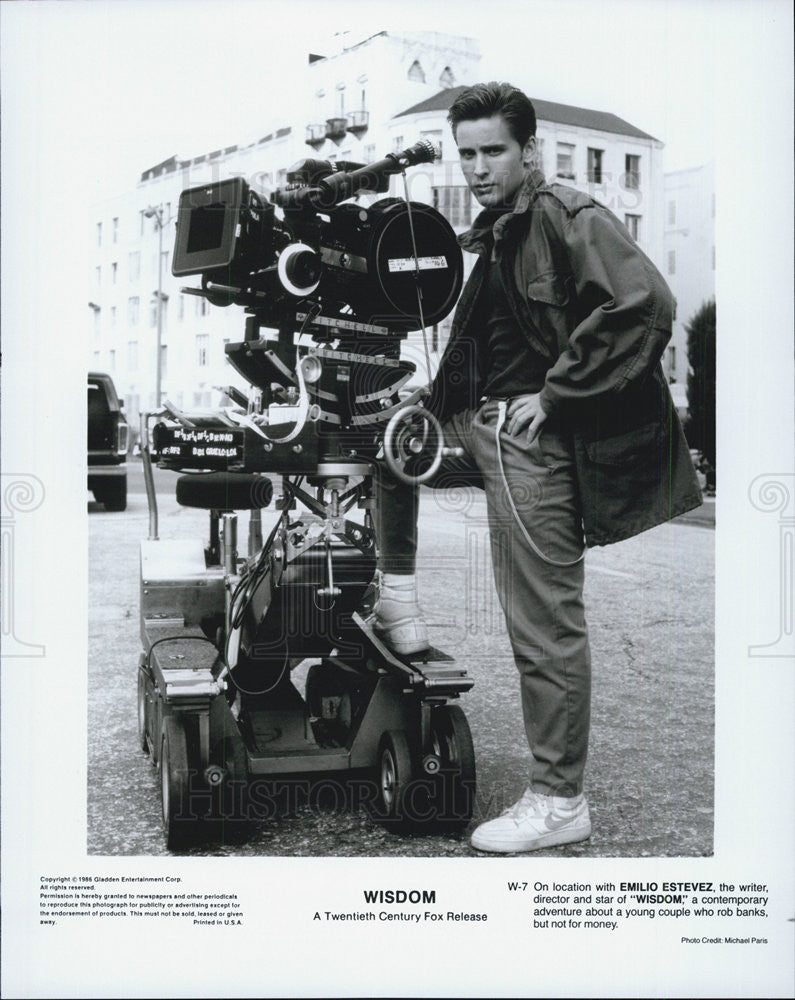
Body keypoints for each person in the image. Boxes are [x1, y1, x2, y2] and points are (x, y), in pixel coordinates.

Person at [372, 82, 702, 853]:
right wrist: (424, 401)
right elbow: (486, 341)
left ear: (527, 151)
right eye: (468, 154)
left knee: (542, 623)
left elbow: (644, 303)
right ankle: (397, 602)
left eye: (493, 151)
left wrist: (556, 397)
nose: (479, 167)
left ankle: (558, 799)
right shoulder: (496, 231)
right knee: (383, 445)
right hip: (478, 423)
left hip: (531, 443)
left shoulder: (562, 214)